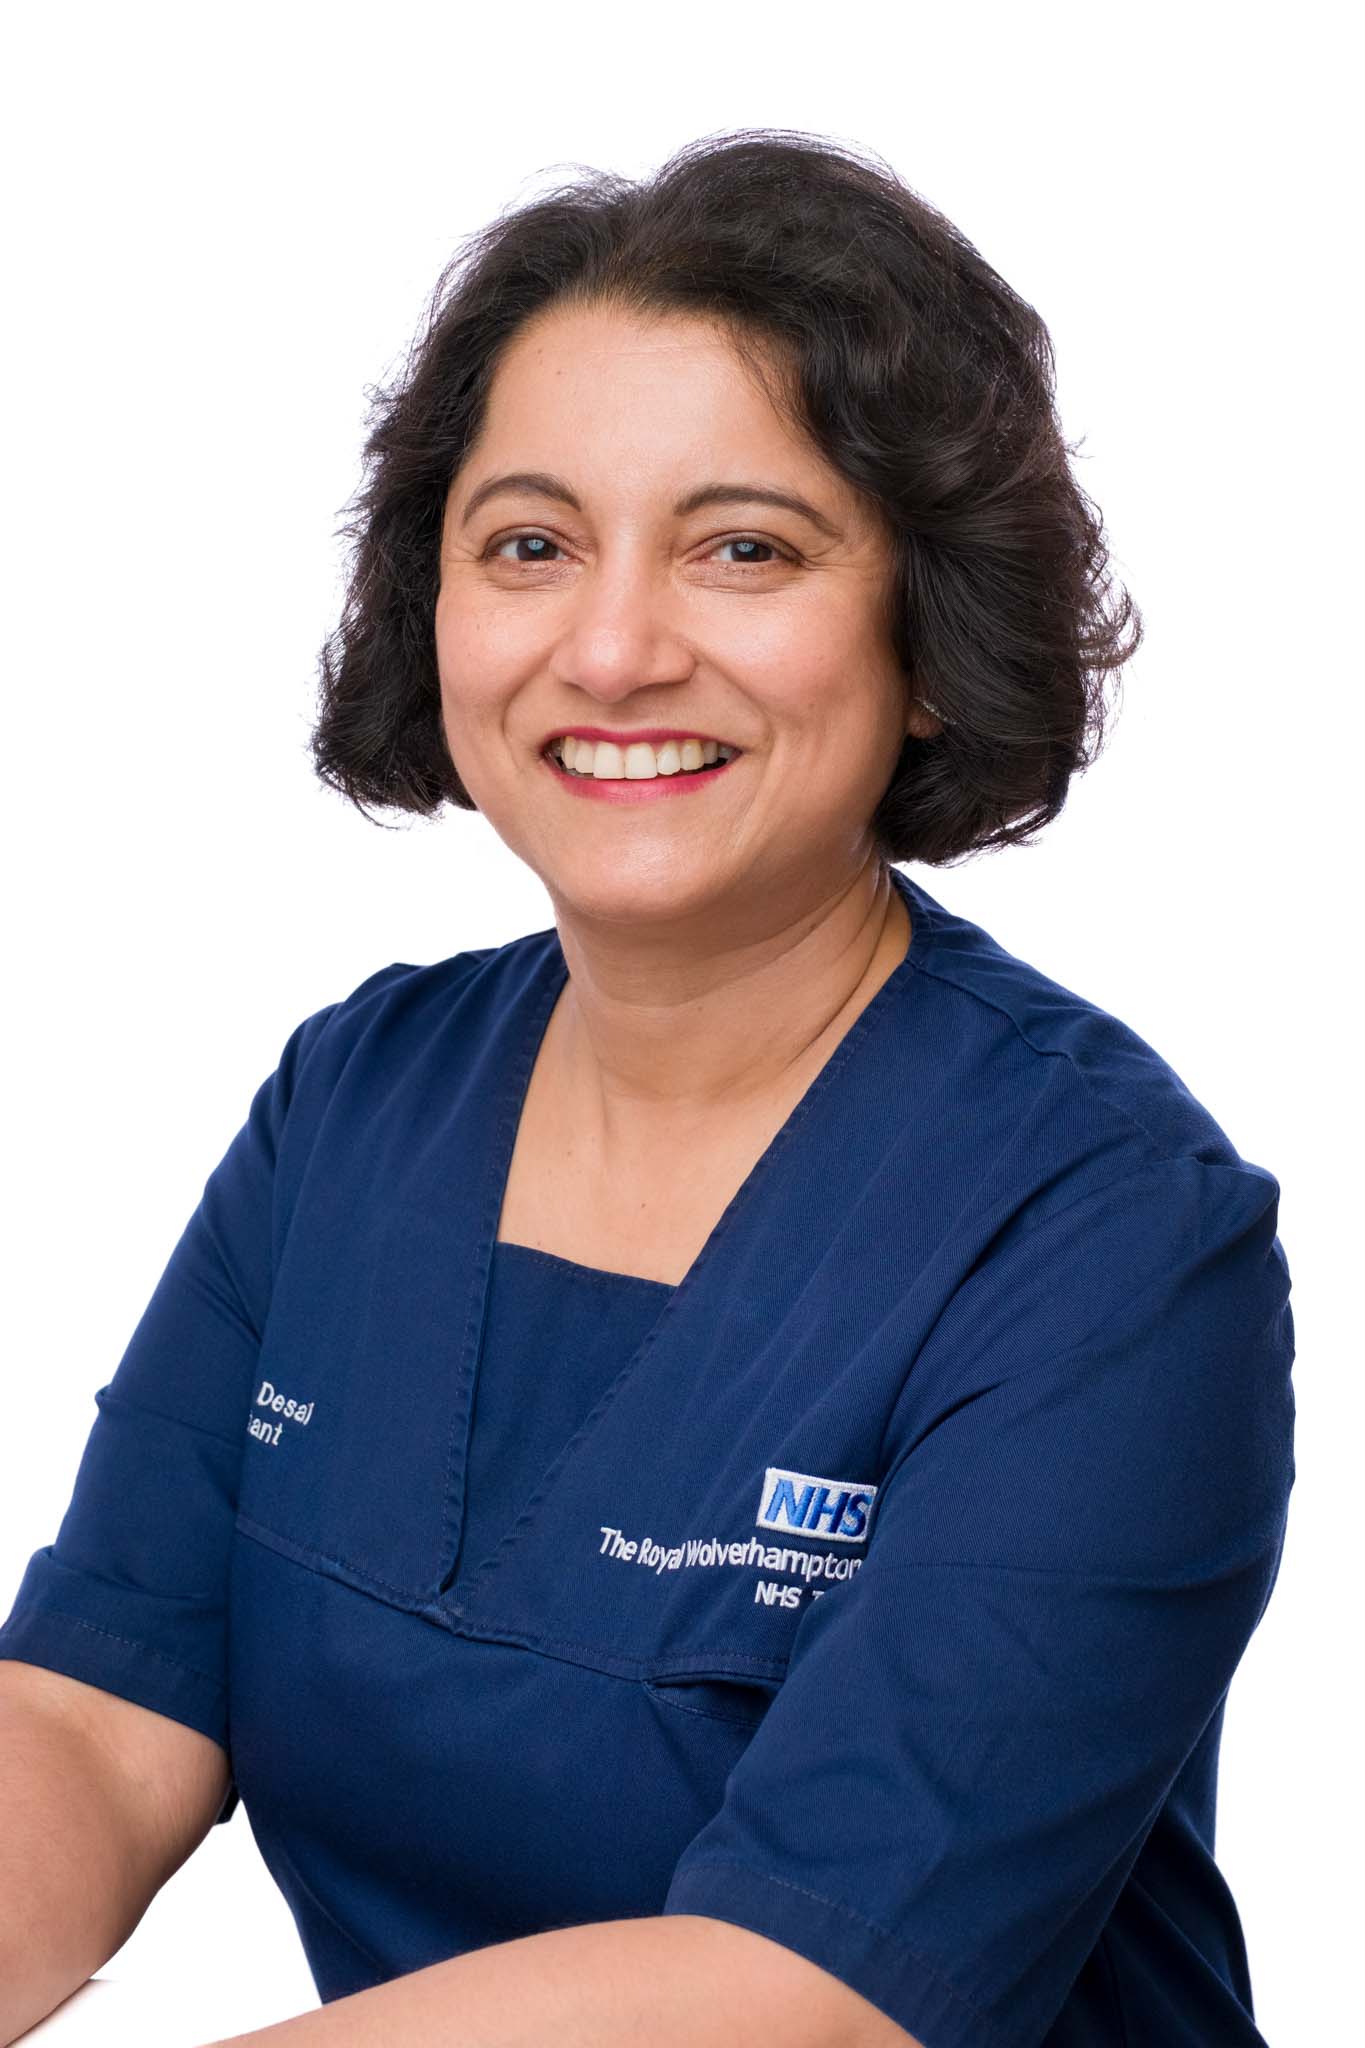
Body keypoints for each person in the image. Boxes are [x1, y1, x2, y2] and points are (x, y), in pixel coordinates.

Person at [0, 128, 1295, 2048]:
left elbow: (812, 1990)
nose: (610, 649)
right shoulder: (357, 1103)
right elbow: (96, 1719)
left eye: (744, 549)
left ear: (926, 636)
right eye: (528, 545)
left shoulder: (1106, 1236)